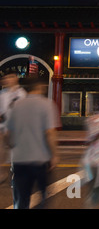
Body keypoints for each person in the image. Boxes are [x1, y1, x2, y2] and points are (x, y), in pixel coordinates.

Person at [5, 77, 59, 209]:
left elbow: (8, 135)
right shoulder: (46, 104)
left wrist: (13, 146)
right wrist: (54, 155)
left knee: (22, 198)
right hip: (40, 160)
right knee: (44, 196)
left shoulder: (16, 105)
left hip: (19, 160)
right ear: (39, 86)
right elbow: (50, 133)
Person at [0, 73, 27, 184]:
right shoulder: (2, 94)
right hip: (2, 126)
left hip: (16, 127)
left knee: (15, 152)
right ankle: (1, 173)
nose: (7, 80)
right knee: (1, 151)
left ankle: (15, 174)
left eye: (10, 77)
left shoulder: (22, 94)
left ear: (16, 79)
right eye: (5, 78)